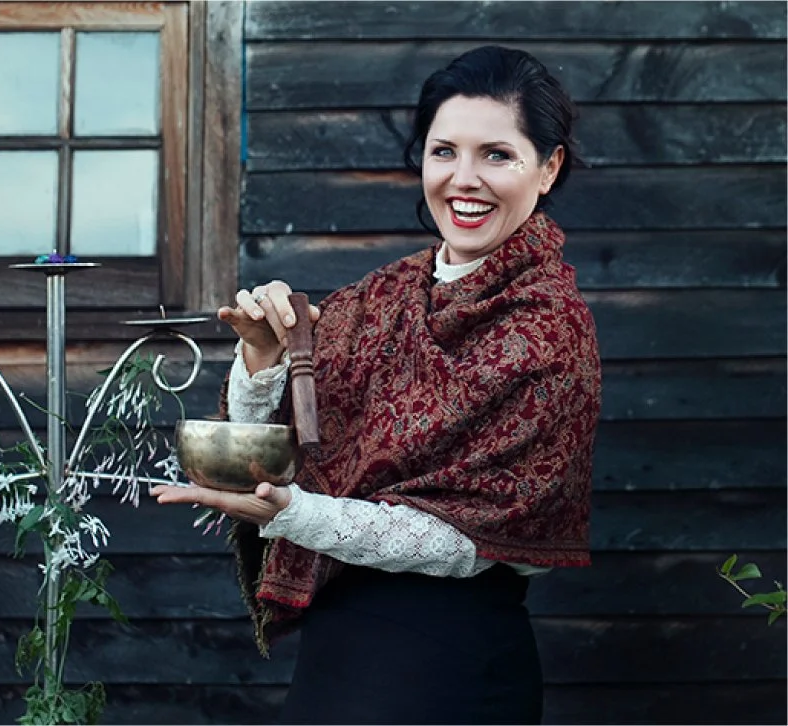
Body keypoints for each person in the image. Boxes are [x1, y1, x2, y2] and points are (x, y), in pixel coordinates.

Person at [150, 45, 602, 725]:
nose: (464, 179)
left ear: (549, 167)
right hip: (339, 655)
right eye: (444, 151)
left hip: (449, 663)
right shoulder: (377, 300)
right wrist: (263, 359)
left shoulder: (548, 328)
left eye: (497, 155)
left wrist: (297, 514)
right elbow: (270, 458)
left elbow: (466, 540)